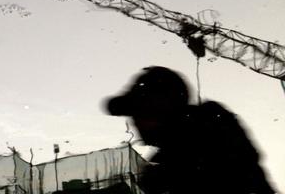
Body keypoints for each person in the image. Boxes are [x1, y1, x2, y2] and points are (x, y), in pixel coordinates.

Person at [103, 66, 276, 194]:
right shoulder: (173, 154)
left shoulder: (210, 132)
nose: (135, 122)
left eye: (140, 113)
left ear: (161, 109)